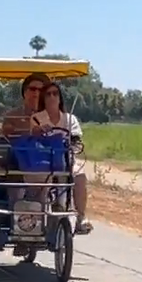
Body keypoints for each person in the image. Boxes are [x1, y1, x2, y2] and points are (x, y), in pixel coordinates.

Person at [33, 83, 92, 234]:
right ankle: (34, 221)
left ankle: (81, 217)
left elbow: (77, 140)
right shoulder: (37, 118)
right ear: (43, 99)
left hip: (66, 159)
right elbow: (32, 137)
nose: (52, 97)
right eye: (48, 94)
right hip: (44, 161)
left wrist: (73, 141)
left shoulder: (70, 119)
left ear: (60, 97)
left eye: (55, 93)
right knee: (38, 180)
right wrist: (38, 132)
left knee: (79, 175)